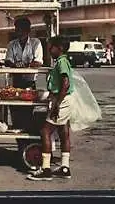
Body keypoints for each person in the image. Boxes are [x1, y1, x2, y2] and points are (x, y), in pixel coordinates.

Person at [27, 35, 74, 181]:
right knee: (63, 131)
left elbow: (65, 84)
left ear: (59, 48)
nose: (49, 49)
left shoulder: (62, 63)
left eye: (51, 47)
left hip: (62, 101)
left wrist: (56, 105)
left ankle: (46, 168)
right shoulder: (61, 61)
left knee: (45, 131)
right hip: (64, 100)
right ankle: (65, 167)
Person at [4, 17, 43, 143]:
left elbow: (38, 62)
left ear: (27, 30)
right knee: (15, 113)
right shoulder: (12, 44)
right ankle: (20, 141)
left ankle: (28, 141)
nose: (18, 32)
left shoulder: (35, 43)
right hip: (15, 82)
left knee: (27, 112)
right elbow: (8, 61)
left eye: (20, 29)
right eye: (17, 29)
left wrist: (25, 65)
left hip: (29, 82)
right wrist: (15, 65)